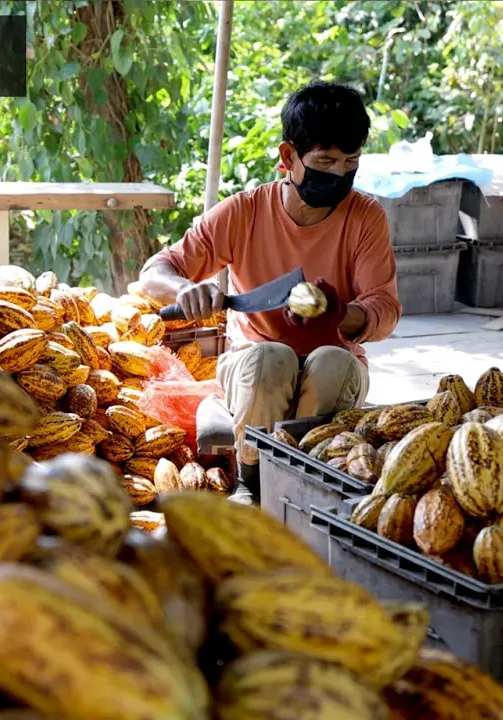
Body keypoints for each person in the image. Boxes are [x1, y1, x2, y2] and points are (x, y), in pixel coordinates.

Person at [138, 81, 400, 502]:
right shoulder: (244, 211)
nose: (339, 174)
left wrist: (340, 314)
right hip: (254, 367)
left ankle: (308, 485)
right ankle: (251, 481)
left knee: (331, 360)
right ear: (287, 157)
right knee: (270, 356)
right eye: (326, 160)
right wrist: (184, 288)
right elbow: (153, 272)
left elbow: (384, 311)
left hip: (336, 365)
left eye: (351, 161)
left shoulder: (366, 217)